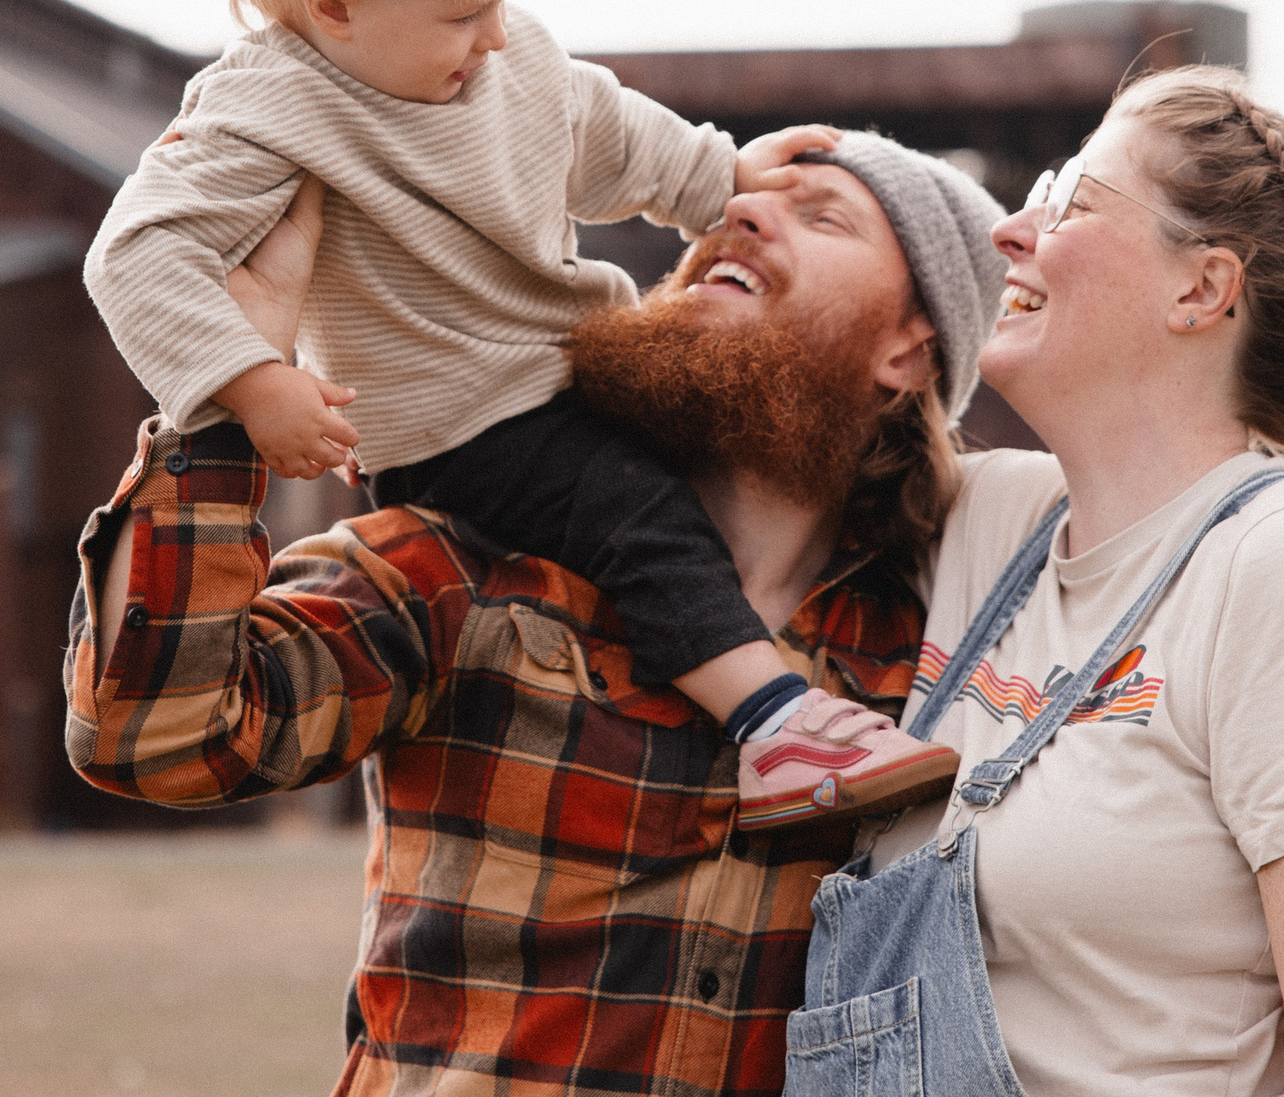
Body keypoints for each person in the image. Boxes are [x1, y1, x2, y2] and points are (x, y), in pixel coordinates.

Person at [83, 0, 955, 826]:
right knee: (639, 512)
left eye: (501, 0)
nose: (495, 35)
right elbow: (136, 255)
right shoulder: (267, 112)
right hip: (458, 423)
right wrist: (250, 385)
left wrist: (718, 177)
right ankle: (774, 724)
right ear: (333, 7)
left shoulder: (508, 62)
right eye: (462, 14)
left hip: (555, 372)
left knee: (647, 476)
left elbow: (610, 129)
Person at [67, 136, 1008, 1097]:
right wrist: (224, 396)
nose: (746, 210)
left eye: (822, 215)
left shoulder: (939, 656)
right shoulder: (461, 565)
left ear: (908, 349)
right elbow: (156, 734)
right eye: (743, 200)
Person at [788, 67, 1284, 1097]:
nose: (1012, 229)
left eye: (1071, 201)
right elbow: (763, 390)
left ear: (1201, 289)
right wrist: (733, 182)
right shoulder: (988, 520)